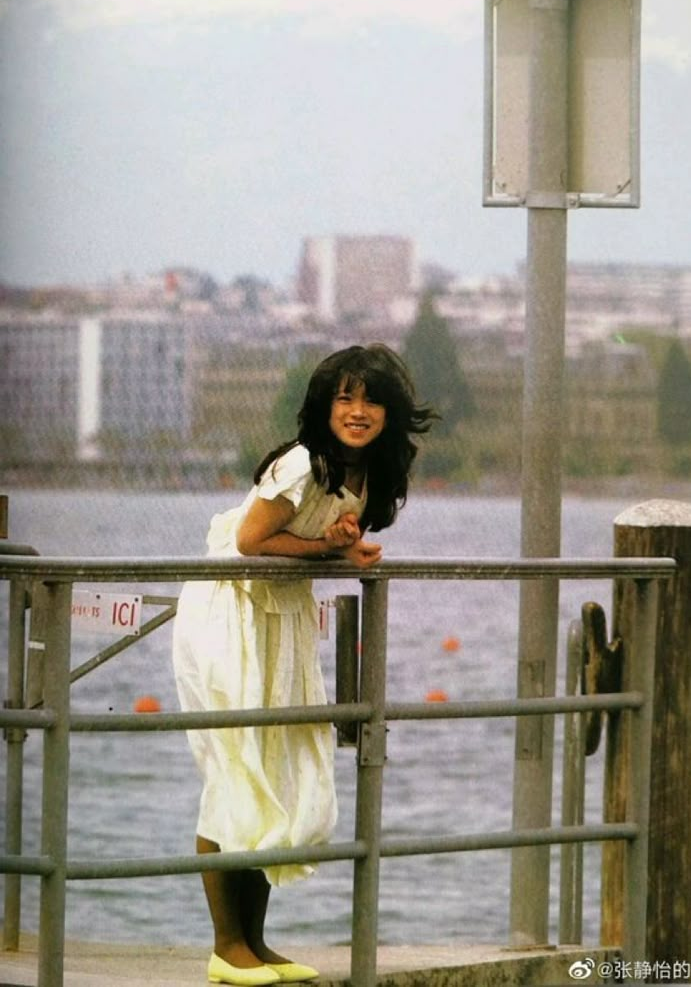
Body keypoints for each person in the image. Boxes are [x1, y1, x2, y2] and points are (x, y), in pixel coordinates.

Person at [173, 343, 436, 986]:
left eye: (372, 399)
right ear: (324, 405)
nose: (358, 410)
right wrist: (328, 546)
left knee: (281, 770)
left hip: (281, 616)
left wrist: (340, 548)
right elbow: (250, 542)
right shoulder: (301, 464)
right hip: (230, 613)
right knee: (237, 768)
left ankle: (257, 945)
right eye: (345, 397)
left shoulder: (367, 472)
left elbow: (313, 546)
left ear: (389, 413)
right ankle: (225, 945)